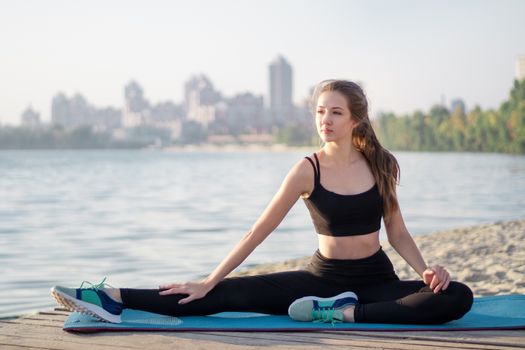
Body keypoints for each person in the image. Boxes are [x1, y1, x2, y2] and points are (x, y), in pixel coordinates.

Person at [51, 79, 473, 325]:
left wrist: (426, 271)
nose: (324, 120)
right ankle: (113, 297)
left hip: (375, 279)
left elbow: (397, 232)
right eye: (320, 112)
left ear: (356, 120)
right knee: (223, 295)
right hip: (321, 280)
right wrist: (209, 278)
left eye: (336, 113)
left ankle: (345, 315)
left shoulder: (380, 164)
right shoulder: (307, 169)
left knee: (457, 296)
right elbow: (258, 231)